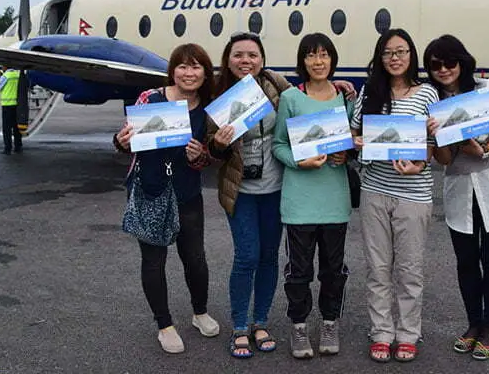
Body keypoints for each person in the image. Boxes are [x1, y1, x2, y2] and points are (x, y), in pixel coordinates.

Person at [114, 43, 221, 354]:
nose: (189, 73)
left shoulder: (208, 108)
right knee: (154, 261)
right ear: (173, 70)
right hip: (151, 189)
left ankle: (199, 312)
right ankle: (165, 325)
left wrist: (200, 155)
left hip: (187, 193)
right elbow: (128, 140)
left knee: (196, 260)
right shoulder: (151, 98)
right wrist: (121, 142)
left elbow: (207, 158)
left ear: (205, 72)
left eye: (196, 66)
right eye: (183, 66)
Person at [424, 34, 489, 361]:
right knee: (467, 263)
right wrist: (434, 136)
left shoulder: (487, 89)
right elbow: (443, 160)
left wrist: (485, 150)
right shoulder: (433, 103)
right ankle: (472, 324)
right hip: (460, 191)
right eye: (435, 65)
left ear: (461, 61)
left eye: (449, 62)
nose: (443, 70)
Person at [350, 28, 439, 363]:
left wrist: (421, 164)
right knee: (378, 268)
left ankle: (408, 333)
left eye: (401, 51)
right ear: (379, 58)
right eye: (388, 53)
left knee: (410, 269)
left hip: (414, 194)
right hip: (374, 190)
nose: (395, 58)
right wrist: (356, 142)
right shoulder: (370, 92)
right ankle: (382, 332)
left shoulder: (427, 93)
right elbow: (354, 132)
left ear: (411, 55)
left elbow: (433, 145)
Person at [207, 32, 292, 359]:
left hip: (275, 188)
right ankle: (240, 325)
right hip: (239, 189)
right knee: (247, 256)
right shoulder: (220, 92)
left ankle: (261, 322)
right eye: (239, 55)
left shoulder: (274, 82)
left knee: (269, 256)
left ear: (262, 59)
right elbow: (211, 147)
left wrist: (338, 89)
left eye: (253, 55)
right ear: (228, 59)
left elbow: (307, 102)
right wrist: (220, 143)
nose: (246, 61)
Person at [272, 33, 353, 359]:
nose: (318, 62)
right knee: (299, 271)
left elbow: (354, 139)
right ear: (302, 61)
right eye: (311, 56)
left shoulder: (345, 97)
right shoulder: (291, 98)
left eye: (323, 55)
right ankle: (299, 326)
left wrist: (346, 154)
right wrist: (297, 160)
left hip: (335, 200)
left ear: (332, 59)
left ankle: (331, 322)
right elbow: (278, 144)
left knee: (334, 270)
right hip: (300, 202)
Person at [0, 67, 22, 154]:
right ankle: (18, 147)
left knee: (7, 129)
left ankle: (8, 148)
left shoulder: (6, 76)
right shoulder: (17, 75)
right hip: (16, 104)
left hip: (7, 105)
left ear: (6, 67)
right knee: (16, 127)